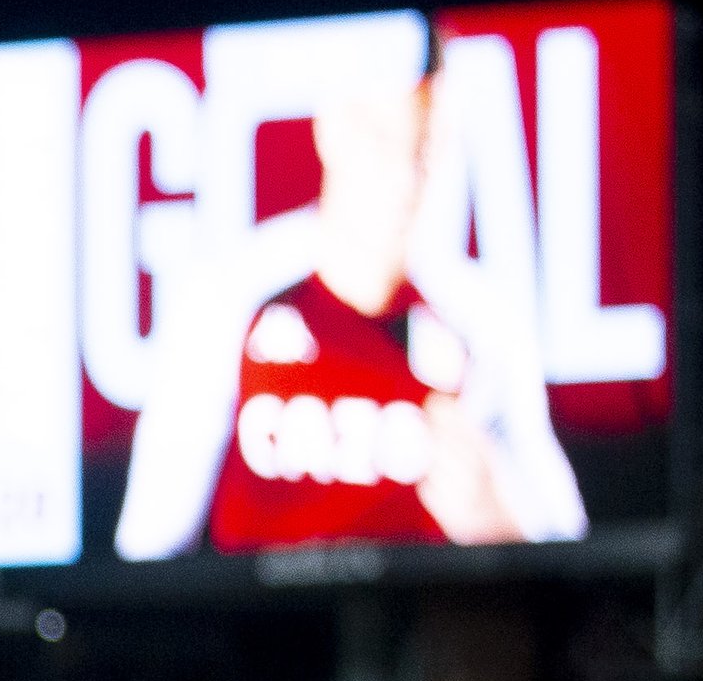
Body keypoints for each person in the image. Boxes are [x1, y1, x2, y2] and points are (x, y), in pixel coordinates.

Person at [118, 47, 587, 562]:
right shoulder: (229, 295)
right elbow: (150, 544)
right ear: (331, 130)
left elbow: (569, 542)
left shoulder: (479, 319)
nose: (405, 179)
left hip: (427, 626)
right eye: (383, 140)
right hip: (263, 631)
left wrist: (496, 521)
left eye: (424, 149)